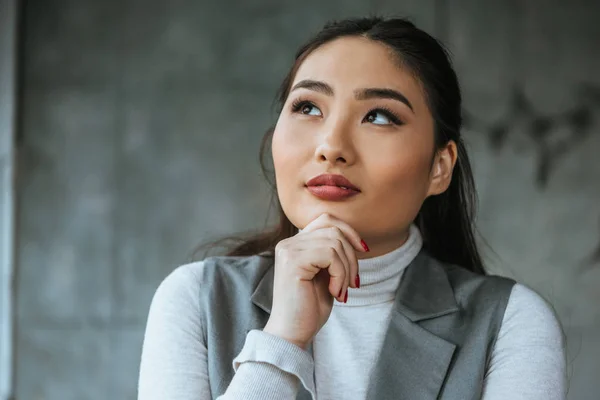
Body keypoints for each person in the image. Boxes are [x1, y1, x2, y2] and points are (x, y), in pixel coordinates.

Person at [137, 16, 567, 400]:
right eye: (307, 107)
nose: (331, 147)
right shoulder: (195, 298)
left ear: (440, 167)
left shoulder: (511, 321)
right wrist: (281, 342)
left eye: (379, 116)